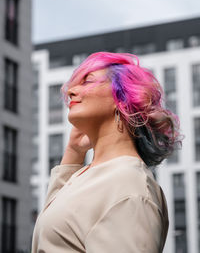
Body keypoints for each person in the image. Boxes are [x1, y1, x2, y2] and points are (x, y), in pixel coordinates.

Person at [31, 52, 182, 253]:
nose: (71, 92)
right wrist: (73, 152)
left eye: (87, 82)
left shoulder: (130, 187)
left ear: (122, 98)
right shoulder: (94, 175)